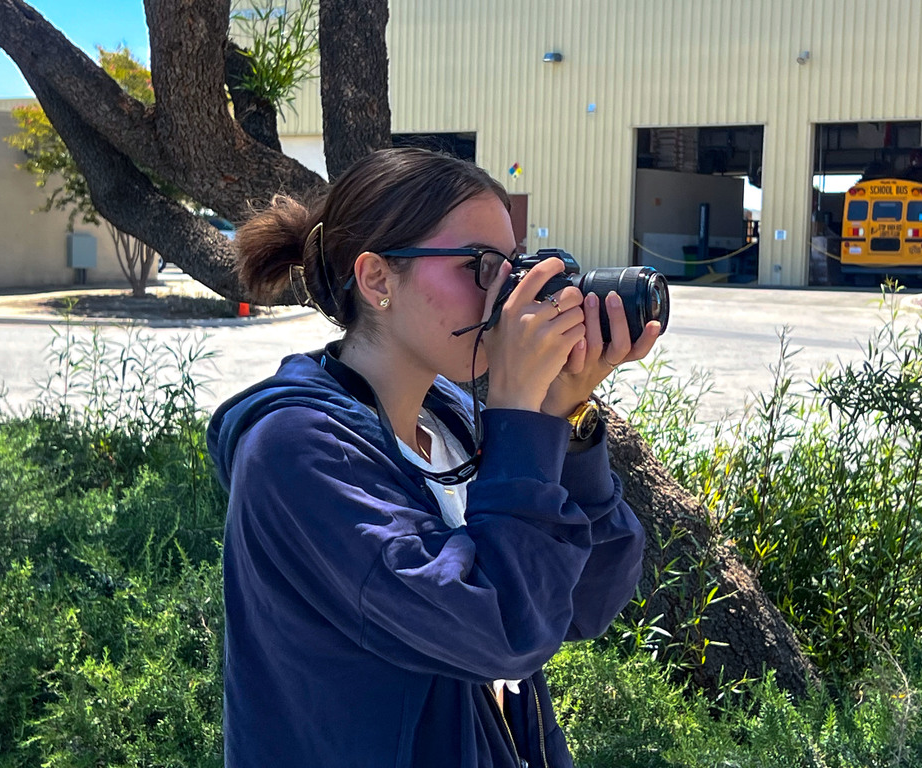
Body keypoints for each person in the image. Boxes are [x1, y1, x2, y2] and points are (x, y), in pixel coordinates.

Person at [206, 147, 662, 767]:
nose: (507, 297)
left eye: (513, 268)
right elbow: (503, 629)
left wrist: (565, 417)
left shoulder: (448, 419)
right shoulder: (298, 452)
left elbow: (587, 602)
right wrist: (520, 421)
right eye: (480, 267)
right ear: (377, 280)